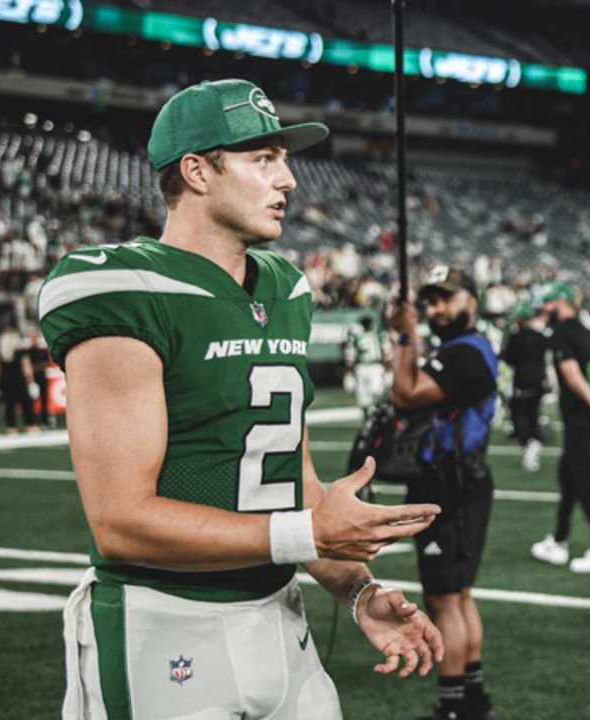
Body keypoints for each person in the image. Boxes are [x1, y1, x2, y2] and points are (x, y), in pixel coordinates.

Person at [39, 79, 443, 720]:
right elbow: (120, 522)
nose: (288, 180)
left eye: (284, 158)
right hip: (163, 622)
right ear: (197, 171)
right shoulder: (123, 286)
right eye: (263, 159)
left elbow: (294, 488)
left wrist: (358, 591)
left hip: (280, 618)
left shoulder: (286, 289)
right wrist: (310, 530)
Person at [389, 265, 498, 720]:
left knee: (444, 598)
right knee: (459, 595)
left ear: (471, 301)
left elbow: (406, 393)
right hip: (461, 481)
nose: (436, 309)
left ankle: (454, 708)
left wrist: (404, 336)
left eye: (445, 299)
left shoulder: (464, 353)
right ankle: (472, 701)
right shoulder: (463, 349)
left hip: (450, 486)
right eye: (430, 301)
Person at [529, 282, 590, 573]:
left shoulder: (562, 334)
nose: (544, 309)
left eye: (548, 303)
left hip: (579, 416)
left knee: (583, 480)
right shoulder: (586, 331)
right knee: (568, 477)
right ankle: (558, 539)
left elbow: (571, 374)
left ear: (561, 302)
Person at [499, 302, 549, 471]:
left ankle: (530, 443)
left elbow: (507, 359)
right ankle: (533, 441)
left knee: (519, 419)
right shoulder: (539, 336)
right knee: (533, 416)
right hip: (538, 384)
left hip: (521, 384)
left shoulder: (515, 337)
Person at [344, 312, 391, 414]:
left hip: (361, 368)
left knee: (364, 400)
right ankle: (376, 421)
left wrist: (348, 374)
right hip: (376, 367)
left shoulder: (355, 337)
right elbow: (387, 355)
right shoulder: (379, 335)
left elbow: (350, 358)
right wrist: (388, 371)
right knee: (377, 398)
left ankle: (368, 421)